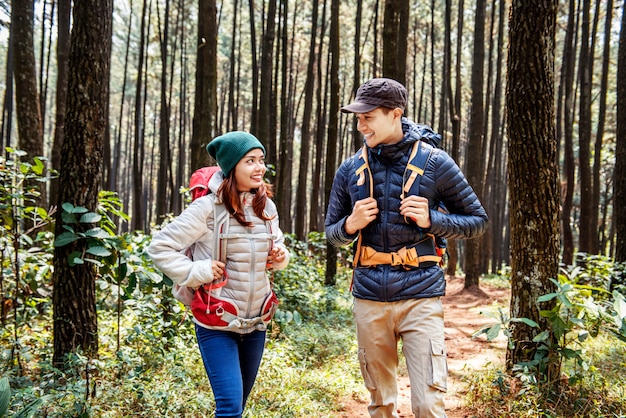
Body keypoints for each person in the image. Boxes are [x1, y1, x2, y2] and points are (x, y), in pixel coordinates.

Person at [325, 78, 488, 418]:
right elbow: (332, 233)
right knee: (381, 405)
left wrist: (433, 221)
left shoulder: (435, 162)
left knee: (428, 405)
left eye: (367, 117)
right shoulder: (349, 169)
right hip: (369, 296)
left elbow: (477, 220)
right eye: (357, 118)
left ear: (395, 114)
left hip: (421, 294)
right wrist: (349, 225)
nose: (360, 125)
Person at [148, 131, 290, 418]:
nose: (259, 167)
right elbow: (159, 247)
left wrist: (280, 256)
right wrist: (196, 271)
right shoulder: (206, 209)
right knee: (229, 407)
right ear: (231, 166)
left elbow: (279, 246)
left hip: (256, 323)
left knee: (238, 405)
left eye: (261, 160)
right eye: (250, 161)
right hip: (216, 323)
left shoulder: (267, 207)